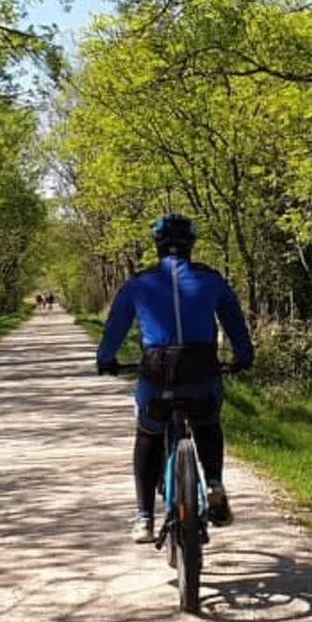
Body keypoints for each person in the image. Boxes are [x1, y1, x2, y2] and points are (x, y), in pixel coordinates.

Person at [97, 213, 253, 543]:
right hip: (202, 372)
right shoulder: (212, 280)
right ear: (191, 247)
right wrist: (243, 356)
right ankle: (213, 483)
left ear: (157, 246)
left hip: (157, 375)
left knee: (148, 434)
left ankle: (143, 517)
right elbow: (235, 323)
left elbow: (114, 328)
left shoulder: (139, 284)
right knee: (208, 422)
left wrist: (106, 359)